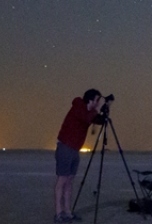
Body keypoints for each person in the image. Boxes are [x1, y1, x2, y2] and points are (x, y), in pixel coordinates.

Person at [54, 88, 105, 223]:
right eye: (97, 100)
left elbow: (96, 120)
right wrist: (97, 109)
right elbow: (89, 117)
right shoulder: (79, 107)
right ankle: (59, 213)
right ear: (91, 100)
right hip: (65, 147)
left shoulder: (87, 111)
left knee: (69, 181)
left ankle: (68, 212)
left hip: (74, 149)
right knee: (62, 180)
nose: (97, 103)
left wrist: (106, 110)